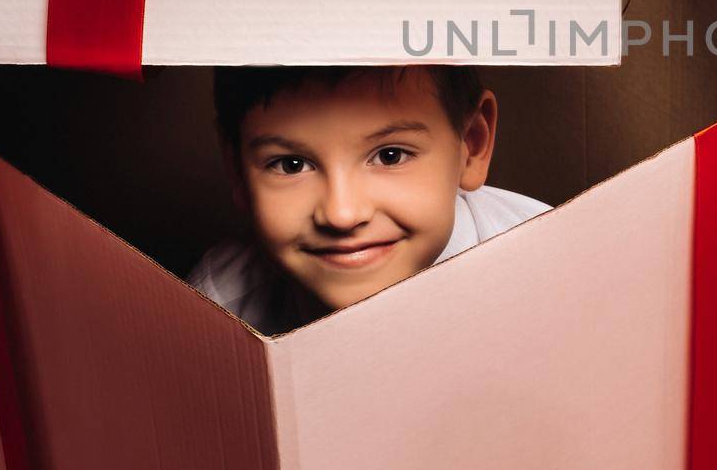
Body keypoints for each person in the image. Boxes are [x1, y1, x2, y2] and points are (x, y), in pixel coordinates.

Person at [189, 65, 548, 334]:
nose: (342, 214)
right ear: (235, 167)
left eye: (390, 156)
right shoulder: (220, 305)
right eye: (291, 164)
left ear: (470, 145)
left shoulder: (555, 274)